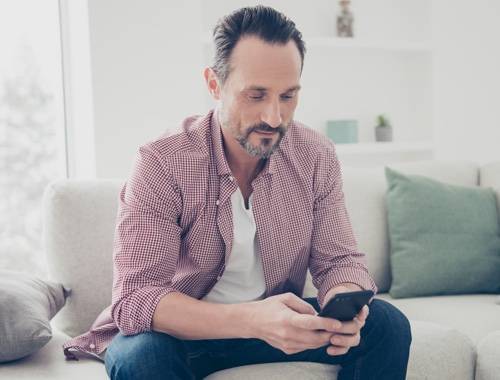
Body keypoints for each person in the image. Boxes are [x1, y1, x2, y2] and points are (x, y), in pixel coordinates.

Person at [62, 5, 411, 379]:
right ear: (215, 84)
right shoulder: (163, 162)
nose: (274, 118)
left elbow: (338, 260)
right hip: (182, 336)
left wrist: (344, 303)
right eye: (256, 95)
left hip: (272, 330)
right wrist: (251, 320)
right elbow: (136, 298)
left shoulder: (316, 155)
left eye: (288, 96)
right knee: (142, 357)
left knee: (387, 324)